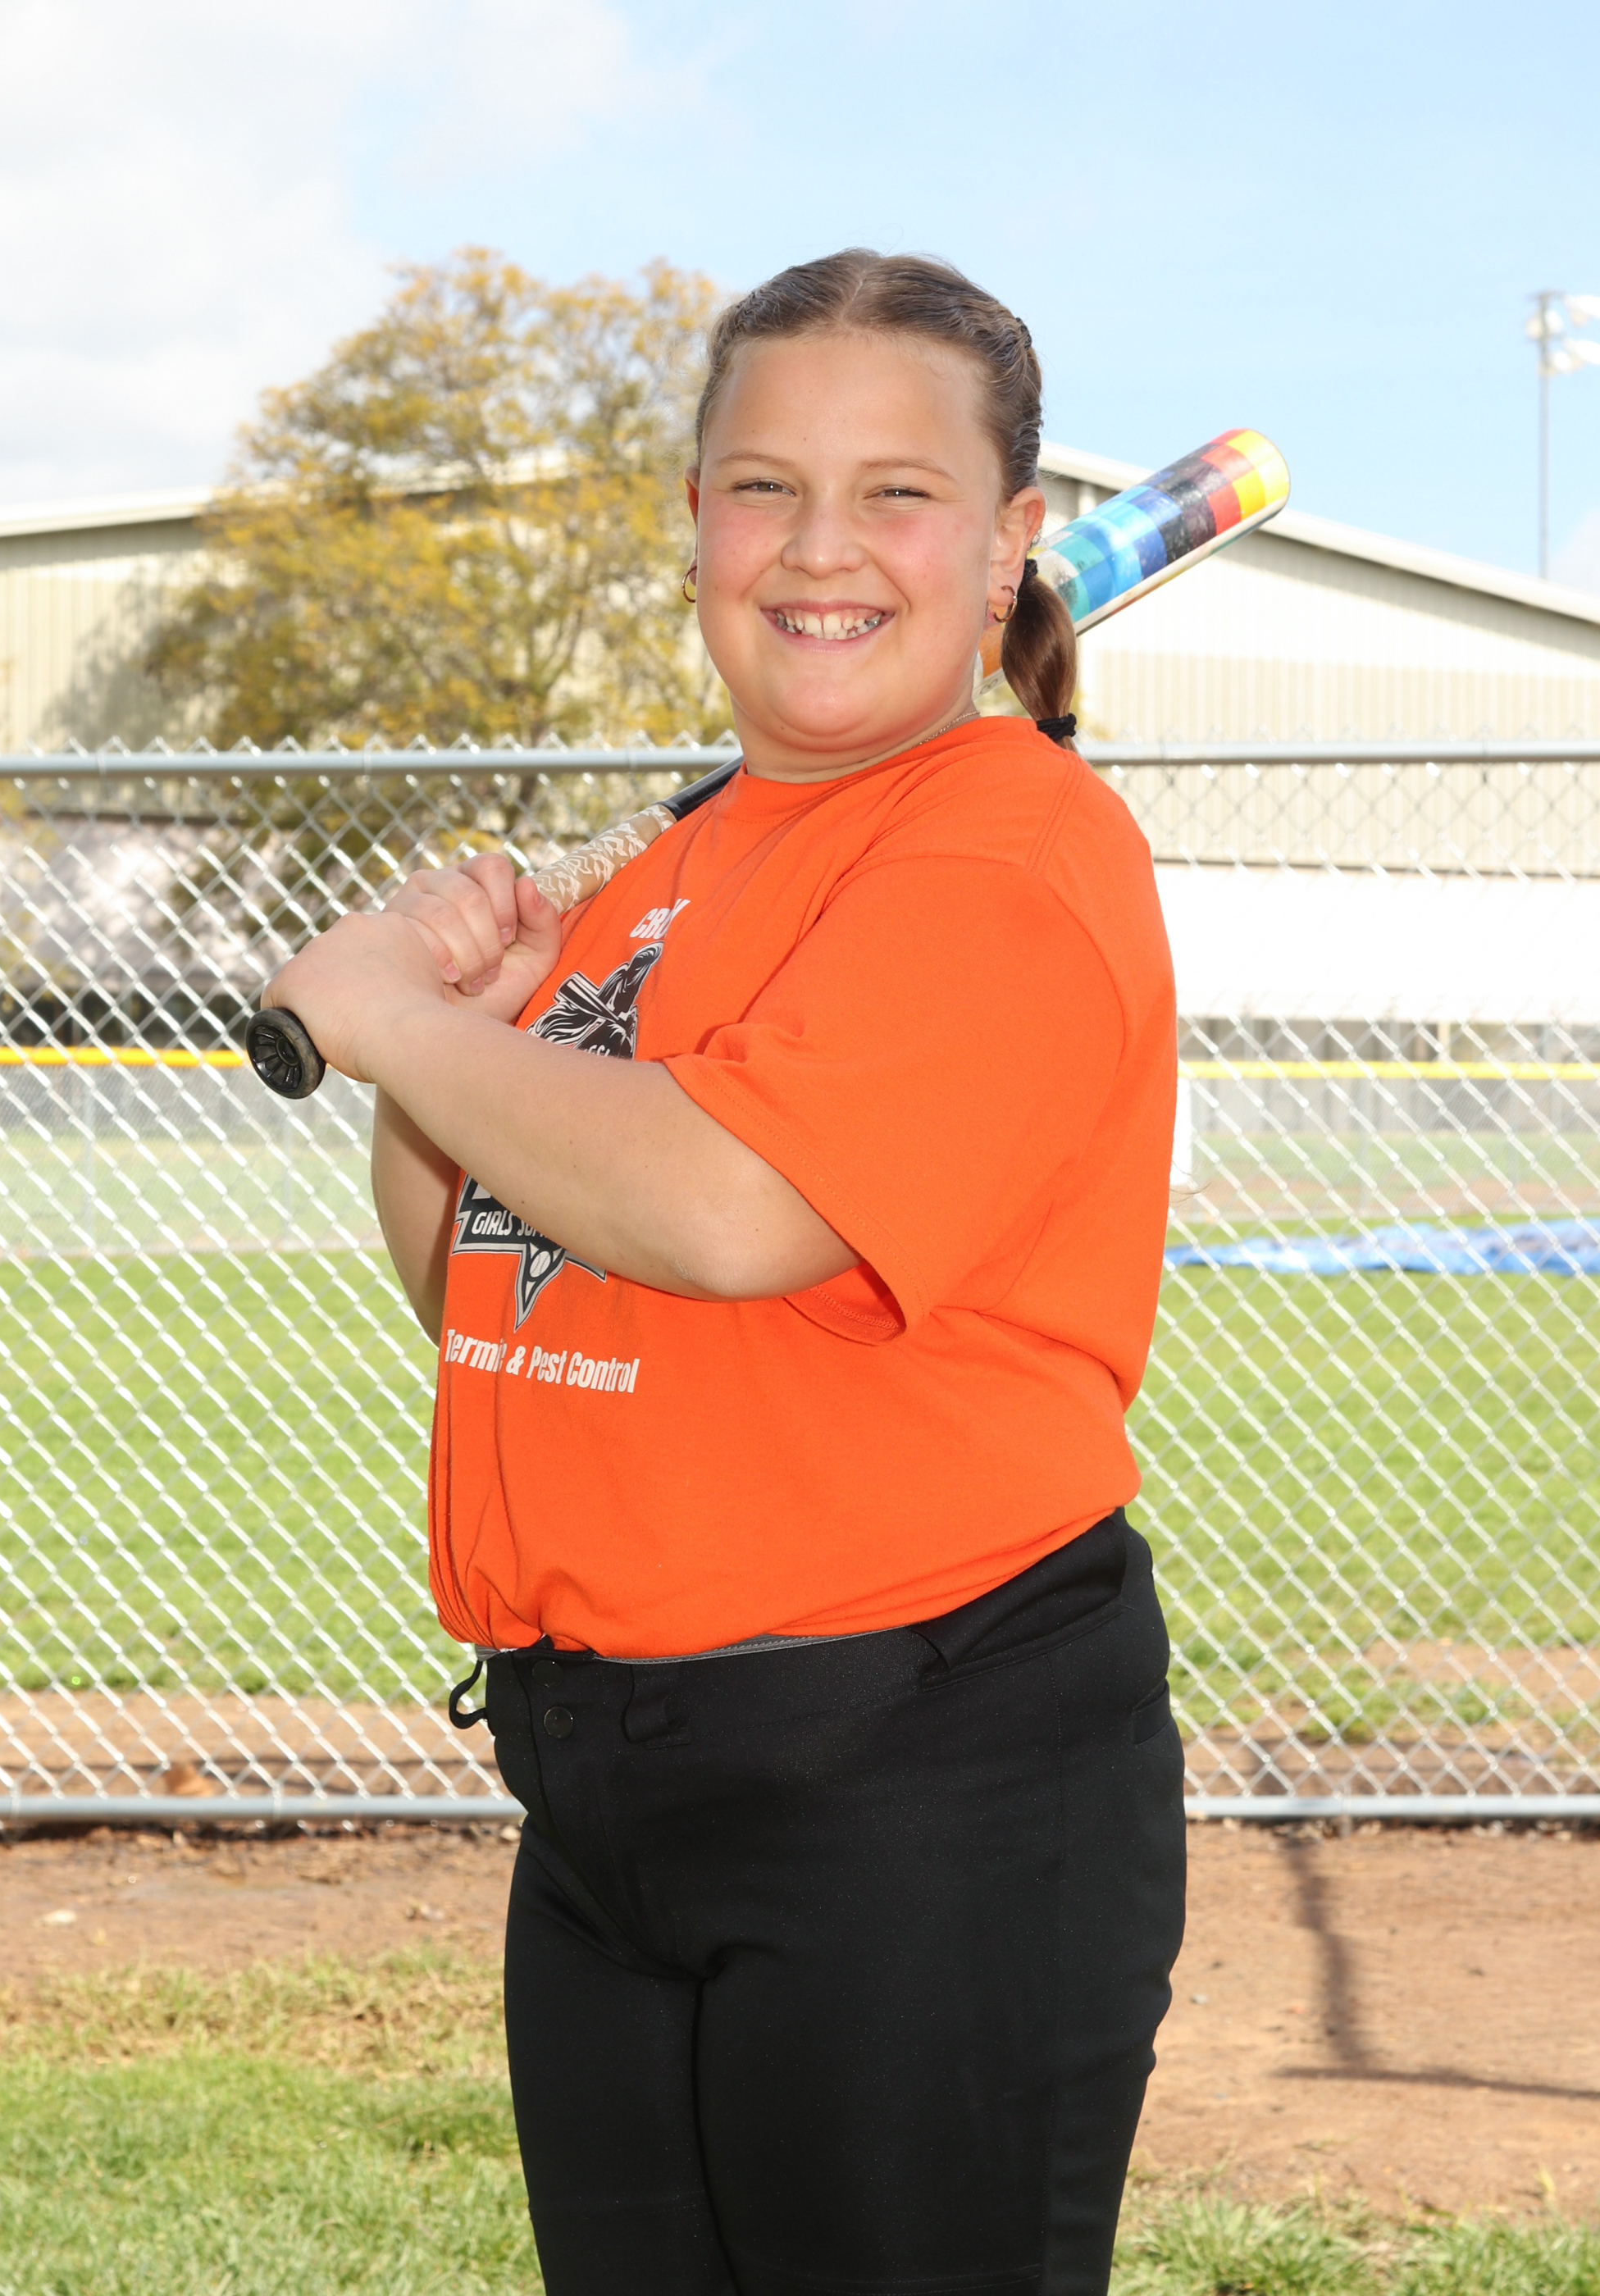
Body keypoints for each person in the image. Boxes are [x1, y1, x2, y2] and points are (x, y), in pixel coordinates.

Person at [263, 248, 1185, 2296]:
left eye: (897, 492)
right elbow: (483, 1291)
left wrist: (394, 1022)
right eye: (765, 486)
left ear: (1010, 540)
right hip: (612, 1795)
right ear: (696, 520)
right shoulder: (675, 879)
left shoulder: (1007, 849)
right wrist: (469, 1049)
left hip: (916, 1785)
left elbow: (731, 1211)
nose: (819, 545)